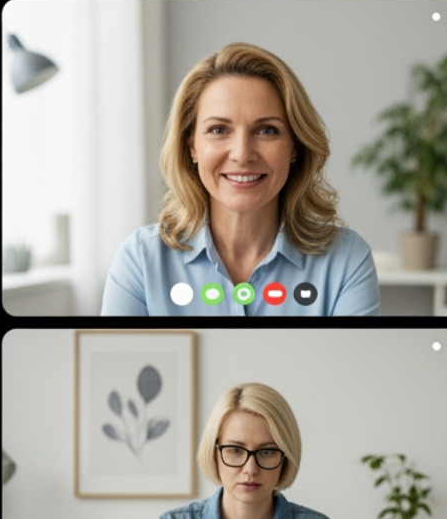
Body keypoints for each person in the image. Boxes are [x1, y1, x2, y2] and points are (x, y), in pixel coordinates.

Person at [102, 42, 379, 316]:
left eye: (267, 130)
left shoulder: (347, 261)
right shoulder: (141, 261)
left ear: (294, 146)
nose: (242, 154)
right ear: (192, 146)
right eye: (219, 129)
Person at [146, 383, 338, 519]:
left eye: (267, 451)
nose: (250, 469)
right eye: (235, 450)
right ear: (214, 453)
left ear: (286, 457)